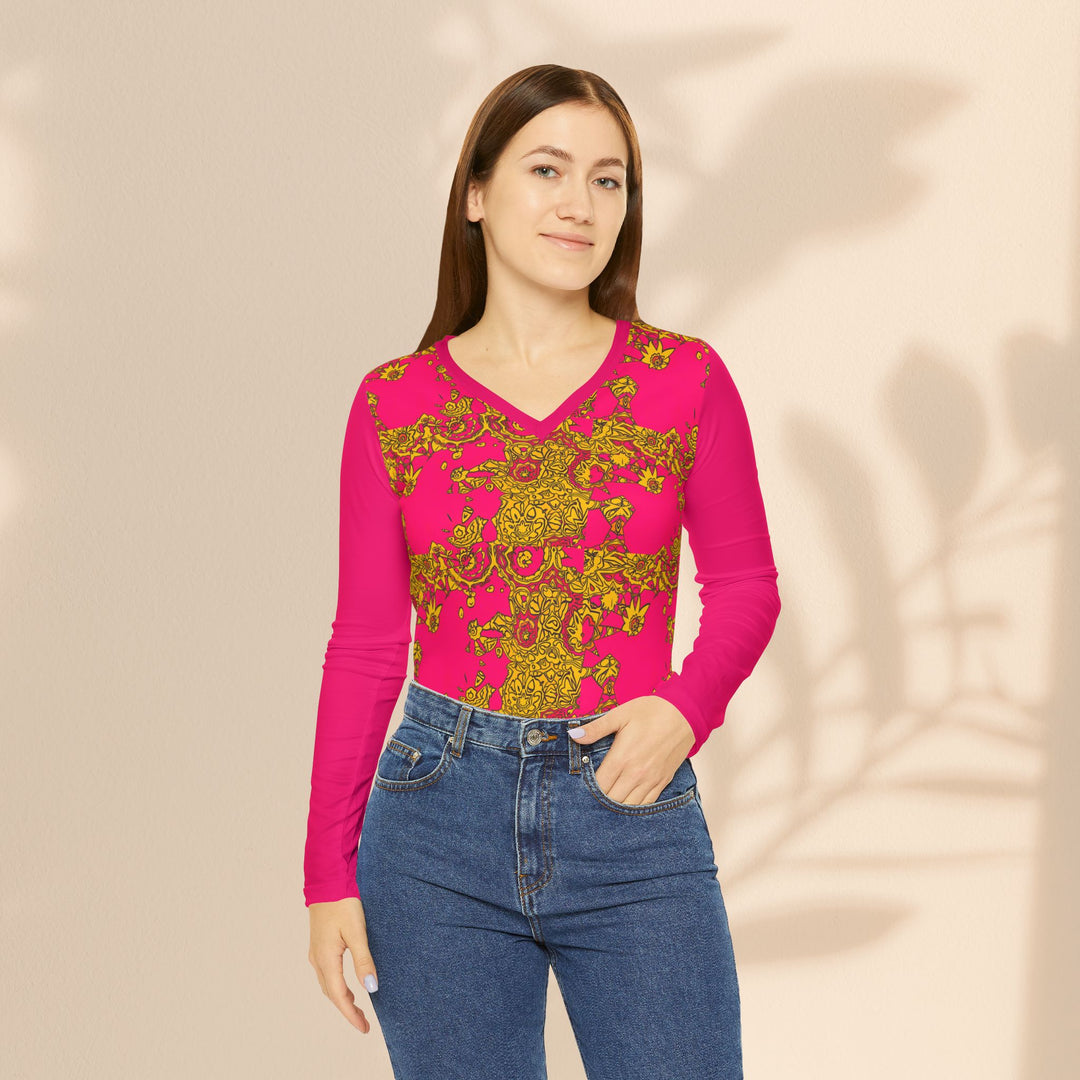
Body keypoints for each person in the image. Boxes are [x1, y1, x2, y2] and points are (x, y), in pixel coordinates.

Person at [304, 63, 781, 1080]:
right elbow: (367, 646)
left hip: (632, 810)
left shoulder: (685, 381)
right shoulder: (395, 405)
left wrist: (686, 708)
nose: (581, 204)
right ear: (476, 192)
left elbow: (747, 588)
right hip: (434, 825)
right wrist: (325, 878)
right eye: (549, 170)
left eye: (609, 181)